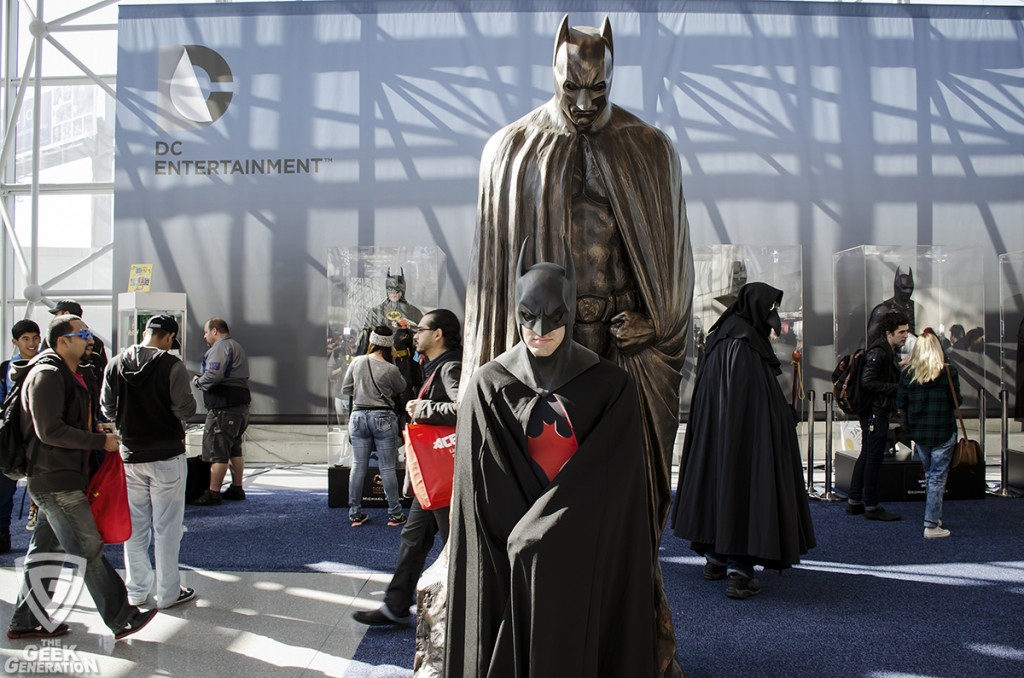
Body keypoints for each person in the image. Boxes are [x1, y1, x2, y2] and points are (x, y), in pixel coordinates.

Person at [460, 16, 691, 672]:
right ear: (552, 72)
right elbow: (494, 283)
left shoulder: (649, 149)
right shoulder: (511, 150)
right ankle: (536, 638)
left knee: (629, 512)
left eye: (599, 90)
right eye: (572, 91)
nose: (586, 105)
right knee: (538, 510)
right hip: (541, 368)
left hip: (620, 367)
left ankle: (632, 638)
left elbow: (672, 265)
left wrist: (656, 321)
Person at [445, 246, 659, 677]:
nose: (540, 330)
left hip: (580, 554)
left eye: (553, 317)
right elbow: (480, 485)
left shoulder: (609, 387)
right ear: (515, 312)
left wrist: (546, 533)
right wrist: (522, 537)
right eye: (529, 316)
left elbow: (611, 480)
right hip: (505, 555)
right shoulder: (488, 386)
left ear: (571, 312)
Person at [7, 314, 157, 641]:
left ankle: (25, 621)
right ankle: (121, 617)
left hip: (58, 477)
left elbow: (61, 422)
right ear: (62, 341)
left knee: (44, 552)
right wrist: (97, 441)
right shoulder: (46, 375)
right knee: (87, 547)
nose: (90, 339)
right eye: (83, 334)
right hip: (55, 480)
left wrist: (93, 428)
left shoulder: (66, 373)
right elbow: (49, 430)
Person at [671, 283, 816, 599]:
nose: (772, 317)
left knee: (718, 482)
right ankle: (739, 571)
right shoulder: (744, 344)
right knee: (741, 488)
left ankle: (715, 559)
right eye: (770, 309)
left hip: (719, 433)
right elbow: (754, 401)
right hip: (742, 437)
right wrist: (783, 415)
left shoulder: (723, 336)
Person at [353, 308, 461, 627]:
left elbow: (462, 406)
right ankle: (395, 605)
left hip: (443, 476)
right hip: (434, 477)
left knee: (454, 544)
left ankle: (471, 607)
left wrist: (421, 407)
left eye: (421, 329)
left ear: (438, 334)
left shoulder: (450, 366)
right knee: (413, 539)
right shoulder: (435, 365)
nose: (415, 335)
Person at [101, 315, 199, 607]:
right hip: (167, 455)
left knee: (135, 528)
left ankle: (137, 591)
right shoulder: (172, 366)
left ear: (145, 332)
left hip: (130, 456)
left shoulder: (115, 364)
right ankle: (168, 593)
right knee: (168, 528)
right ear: (169, 338)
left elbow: (107, 408)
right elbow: (185, 410)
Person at [846, 310, 910, 521]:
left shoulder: (884, 351)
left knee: (867, 455)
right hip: (875, 411)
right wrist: (897, 387)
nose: (905, 336)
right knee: (873, 458)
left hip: (874, 411)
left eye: (907, 332)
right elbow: (868, 381)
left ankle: (855, 501)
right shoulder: (880, 352)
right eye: (901, 332)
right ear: (889, 332)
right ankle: (871, 506)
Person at [896, 329, 959, 539]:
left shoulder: (908, 374)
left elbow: (901, 403)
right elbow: (956, 401)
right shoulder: (948, 372)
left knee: (932, 476)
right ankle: (931, 524)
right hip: (943, 430)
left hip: (920, 433)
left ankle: (934, 517)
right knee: (937, 478)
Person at [341, 325, 407, 527]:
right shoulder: (391, 368)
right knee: (387, 467)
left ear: (371, 341)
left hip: (358, 416)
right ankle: (395, 514)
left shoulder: (358, 362)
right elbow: (402, 388)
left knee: (358, 466)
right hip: (383, 417)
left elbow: (346, 388)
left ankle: (355, 513)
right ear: (389, 345)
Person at [191, 317, 251, 506]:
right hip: (240, 406)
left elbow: (213, 375)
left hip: (224, 408)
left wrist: (198, 382)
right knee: (235, 448)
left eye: (206, 331)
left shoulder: (219, 348)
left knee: (218, 450)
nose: (204, 335)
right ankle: (237, 487)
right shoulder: (237, 346)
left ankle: (213, 492)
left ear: (215, 331)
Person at [0, 320, 42, 553]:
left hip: (41, 438)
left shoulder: (47, 364)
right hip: (12, 440)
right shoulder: (4, 368)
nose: (31, 343)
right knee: (5, 490)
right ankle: (2, 536)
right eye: (25, 339)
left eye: (35, 338)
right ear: (15, 342)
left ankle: (48, 543)